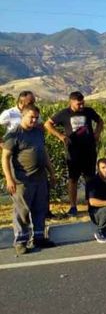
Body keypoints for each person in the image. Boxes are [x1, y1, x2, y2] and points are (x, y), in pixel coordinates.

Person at [2, 105, 56, 254]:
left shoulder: (38, 132)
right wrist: (9, 179)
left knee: (40, 209)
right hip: (22, 180)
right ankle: (20, 242)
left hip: (40, 178)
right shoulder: (14, 135)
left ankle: (39, 238)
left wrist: (51, 172)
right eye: (31, 117)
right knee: (22, 211)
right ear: (22, 117)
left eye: (36, 117)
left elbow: (43, 152)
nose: (34, 120)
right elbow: (5, 158)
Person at [45, 91, 103, 216]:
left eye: (83, 103)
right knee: (73, 179)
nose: (81, 106)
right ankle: (73, 206)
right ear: (71, 102)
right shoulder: (64, 114)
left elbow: (100, 121)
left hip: (89, 150)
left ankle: (91, 205)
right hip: (73, 151)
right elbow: (47, 124)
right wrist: (60, 136)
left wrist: (97, 133)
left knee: (90, 179)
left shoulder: (89, 111)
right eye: (78, 104)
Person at [1, 91, 54, 219]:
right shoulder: (9, 114)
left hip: (35, 159)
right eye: (30, 102)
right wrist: (4, 144)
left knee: (39, 195)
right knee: (22, 195)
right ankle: (22, 232)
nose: (33, 104)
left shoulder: (34, 114)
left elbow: (40, 127)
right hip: (16, 157)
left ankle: (40, 226)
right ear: (21, 102)